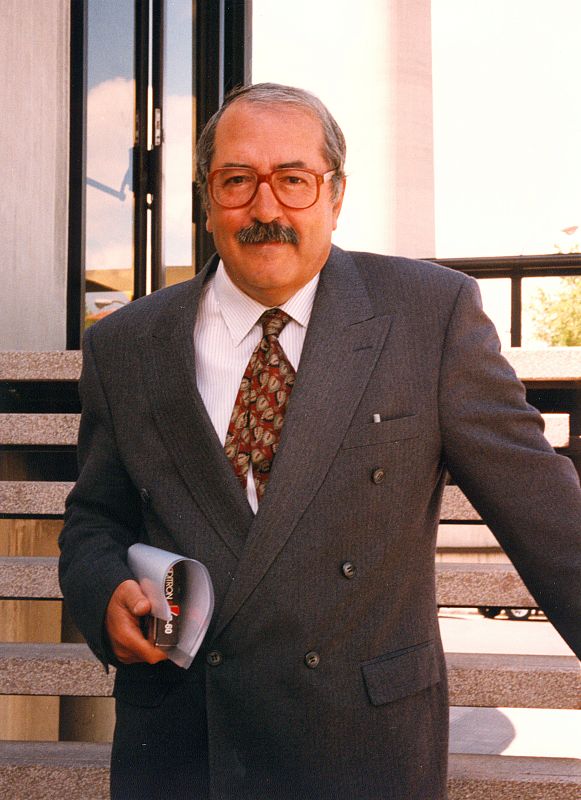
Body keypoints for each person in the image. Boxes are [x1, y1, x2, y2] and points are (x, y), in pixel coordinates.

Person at [59, 83, 581, 800]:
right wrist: (103, 594)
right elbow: (94, 518)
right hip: (183, 744)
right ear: (205, 199)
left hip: (360, 745)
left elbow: (550, 520)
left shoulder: (428, 315)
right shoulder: (126, 343)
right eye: (236, 180)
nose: (265, 209)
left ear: (335, 195)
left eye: (293, 180)